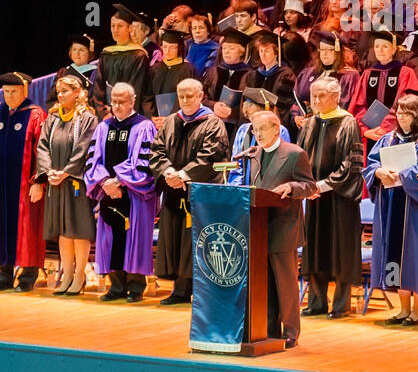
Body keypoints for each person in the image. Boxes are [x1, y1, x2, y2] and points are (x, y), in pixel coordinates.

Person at [363, 94, 418, 326]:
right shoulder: (388, 139)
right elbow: (371, 164)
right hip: (391, 207)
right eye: (398, 112)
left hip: (416, 210)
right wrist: (379, 173)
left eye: (406, 113)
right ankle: (403, 308)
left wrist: (401, 175)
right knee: (393, 254)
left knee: (415, 256)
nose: (401, 116)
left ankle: (417, 310)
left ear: (417, 115)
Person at [241, 110, 318, 347]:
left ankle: (291, 332)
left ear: (276, 128)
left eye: (262, 129)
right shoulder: (254, 155)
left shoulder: (295, 154)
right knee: (264, 284)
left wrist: (292, 187)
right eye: (254, 130)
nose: (258, 134)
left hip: (283, 227)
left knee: (285, 285)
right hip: (259, 228)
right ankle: (268, 327)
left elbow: (310, 186)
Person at [150, 78, 230, 305]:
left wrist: (183, 175)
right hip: (174, 190)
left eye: (190, 96)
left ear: (201, 96)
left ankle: (202, 292)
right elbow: (156, 151)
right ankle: (180, 290)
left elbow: (210, 156)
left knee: (196, 241)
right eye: (181, 96)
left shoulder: (212, 123)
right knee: (176, 240)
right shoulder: (171, 121)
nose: (185, 100)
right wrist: (168, 173)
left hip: (199, 193)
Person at [0, 72, 47, 292]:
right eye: (6, 92)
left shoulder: (36, 115)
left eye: (14, 92)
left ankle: (27, 276)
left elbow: (41, 153)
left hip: (25, 186)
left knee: (28, 228)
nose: (10, 96)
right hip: (1, 184)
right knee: (2, 226)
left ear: (25, 90)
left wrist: (37, 182)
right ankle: (3, 275)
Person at [298, 77, 365, 319]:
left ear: (336, 97)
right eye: (314, 96)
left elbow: (352, 163)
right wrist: (307, 185)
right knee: (315, 247)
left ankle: (341, 304)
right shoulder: (309, 124)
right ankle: (316, 302)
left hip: (339, 197)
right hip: (315, 196)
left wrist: (324, 185)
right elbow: (300, 157)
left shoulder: (348, 123)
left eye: (322, 96)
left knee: (340, 249)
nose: (316, 100)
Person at [85, 82, 158, 303]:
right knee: (110, 239)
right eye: (113, 101)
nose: (116, 106)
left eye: (121, 101)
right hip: (109, 193)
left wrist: (120, 181)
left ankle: (135, 287)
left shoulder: (143, 126)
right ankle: (115, 286)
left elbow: (144, 163)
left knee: (134, 239)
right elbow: (92, 160)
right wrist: (105, 182)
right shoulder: (103, 127)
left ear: (132, 101)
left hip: (134, 195)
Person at [34, 69, 98, 296]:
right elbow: (42, 146)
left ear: (78, 92)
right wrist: (48, 171)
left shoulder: (87, 117)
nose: (60, 95)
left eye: (65, 91)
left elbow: (84, 148)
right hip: (56, 181)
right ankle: (66, 274)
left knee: (77, 229)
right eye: (58, 91)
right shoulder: (53, 116)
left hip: (75, 181)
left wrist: (67, 172)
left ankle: (80, 275)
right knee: (63, 230)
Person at [353, 31, 418, 144]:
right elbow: (359, 105)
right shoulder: (367, 74)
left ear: (394, 49)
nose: (380, 50)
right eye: (377, 46)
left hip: (395, 131)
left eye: (385, 46)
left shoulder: (405, 73)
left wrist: (385, 126)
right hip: (370, 134)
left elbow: (405, 103)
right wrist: (364, 130)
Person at [91, 4, 154, 118]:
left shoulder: (138, 55)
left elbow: (136, 89)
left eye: (120, 26)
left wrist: (116, 111)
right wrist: (103, 112)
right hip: (106, 116)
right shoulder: (106, 53)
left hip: (128, 114)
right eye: (112, 26)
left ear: (130, 28)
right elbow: (98, 88)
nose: (115, 30)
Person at [292, 29, 360, 126]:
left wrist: (316, 120)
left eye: (329, 50)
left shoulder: (348, 75)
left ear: (338, 52)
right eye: (322, 49)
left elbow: (344, 105)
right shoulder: (308, 73)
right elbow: (297, 99)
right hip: (305, 127)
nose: (324, 54)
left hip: (332, 127)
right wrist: (297, 116)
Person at [243, 33, 297, 139]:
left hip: (272, 125)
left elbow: (284, 103)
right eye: (261, 51)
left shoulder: (286, 75)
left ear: (276, 53)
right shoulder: (252, 74)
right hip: (254, 123)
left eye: (267, 51)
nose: (263, 55)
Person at [203, 29, 254, 139]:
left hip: (236, 129)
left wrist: (234, 112)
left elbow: (252, 103)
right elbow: (201, 96)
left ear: (242, 51)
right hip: (211, 124)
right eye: (224, 48)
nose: (226, 52)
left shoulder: (250, 75)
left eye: (231, 48)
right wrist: (213, 105)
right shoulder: (213, 71)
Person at [149, 29, 196, 107]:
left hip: (177, 114)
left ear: (179, 48)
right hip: (154, 116)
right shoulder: (154, 69)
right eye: (165, 46)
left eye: (172, 47)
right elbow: (147, 95)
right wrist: (151, 114)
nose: (167, 51)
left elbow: (188, 96)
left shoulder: (187, 69)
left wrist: (172, 116)